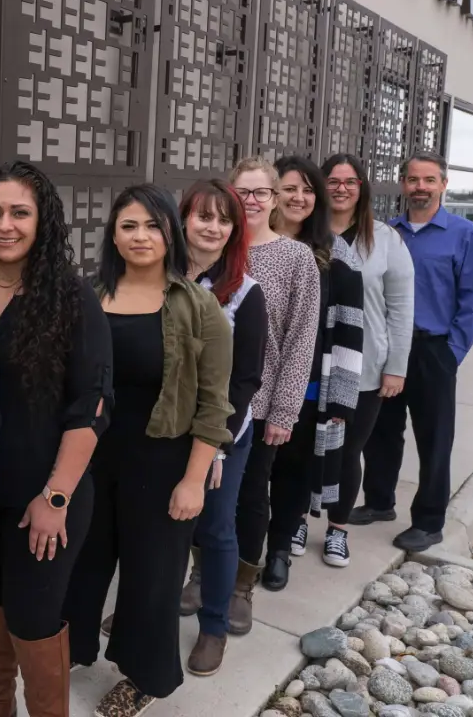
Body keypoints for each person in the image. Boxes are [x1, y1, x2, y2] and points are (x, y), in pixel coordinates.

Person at [0, 161, 113, 717]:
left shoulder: (71, 298)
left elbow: (90, 407)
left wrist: (56, 497)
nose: (6, 224)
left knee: (32, 618)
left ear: (43, 221)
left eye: (20, 212)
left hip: (45, 498)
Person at [63, 184, 233, 717]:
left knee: (152, 576)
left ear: (171, 234)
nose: (140, 236)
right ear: (112, 235)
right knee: (83, 563)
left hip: (161, 462)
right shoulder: (86, 296)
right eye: (128, 226)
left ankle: (146, 675)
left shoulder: (198, 306)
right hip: (90, 458)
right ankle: (75, 646)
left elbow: (213, 405)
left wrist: (193, 479)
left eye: (152, 226)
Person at [356, 152, 473, 552]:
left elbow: (472, 299)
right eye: (413, 180)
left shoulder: (464, 235)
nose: (420, 187)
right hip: (388, 347)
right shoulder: (384, 232)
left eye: (429, 180)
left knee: (434, 439)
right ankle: (380, 502)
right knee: (381, 433)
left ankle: (429, 522)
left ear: (443, 185)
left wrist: (453, 353)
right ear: (402, 184)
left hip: (433, 350)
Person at [176, 180, 268, 677]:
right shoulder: (158, 277)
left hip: (223, 433)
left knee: (214, 526)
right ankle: (146, 611)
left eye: (223, 219)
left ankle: (213, 626)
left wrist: (213, 445)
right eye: (203, 216)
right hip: (165, 428)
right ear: (184, 219)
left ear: (234, 230)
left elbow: (247, 379)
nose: (212, 227)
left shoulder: (245, 294)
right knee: (159, 526)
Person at [228, 159, 320, 629]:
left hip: (262, 406)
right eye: (243, 192)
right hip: (208, 402)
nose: (252, 201)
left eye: (261, 193)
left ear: (275, 199)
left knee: (249, 495)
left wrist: (286, 409)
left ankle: (241, 584)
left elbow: (302, 338)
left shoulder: (296, 258)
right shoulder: (214, 247)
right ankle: (203, 574)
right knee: (203, 494)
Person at [265, 156, 363, 591]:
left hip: (309, 389)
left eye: (308, 190)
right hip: (254, 385)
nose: (299, 198)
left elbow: (349, 327)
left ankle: (279, 551)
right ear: (273, 193)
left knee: (293, 473)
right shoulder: (248, 243)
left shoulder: (334, 253)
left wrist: (341, 398)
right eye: (290, 188)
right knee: (248, 478)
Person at [322, 154, 414, 565]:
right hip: (312, 361)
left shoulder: (385, 240)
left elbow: (401, 308)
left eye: (350, 181)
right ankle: (300, 517)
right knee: (307, 447)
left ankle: (337, 528)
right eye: (333, 180)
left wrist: (396, 366)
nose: (341, 188)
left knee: (346, 451)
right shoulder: (310, 234)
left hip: (366, 366)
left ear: (362, 187)